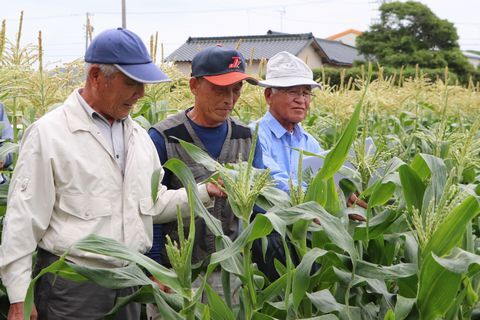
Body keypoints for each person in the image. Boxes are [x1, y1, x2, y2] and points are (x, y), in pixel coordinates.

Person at [0, 28, 223, 320]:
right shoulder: (50, 134)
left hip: (129, 282)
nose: (141, 94)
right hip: (73, 289)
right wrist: (19, 296)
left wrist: (204, 192)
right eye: (132, 82)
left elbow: (152, 204)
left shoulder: (139, 138)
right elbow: (23, 219)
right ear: (95, 76)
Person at [145, 45, 262, 317]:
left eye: (236, 90)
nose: (229, 99)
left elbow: (259, 204)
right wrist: (156, 270)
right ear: (194, 86)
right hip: (178, 274)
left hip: (232, 274)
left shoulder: (246, 137)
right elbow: (149, 208)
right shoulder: (164, 138)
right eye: (220, 89)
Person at [251, 51, 366, 280]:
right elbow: (274, 180)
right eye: (292, 91)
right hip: (271, 236)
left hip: (309, 234)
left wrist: (344, 196)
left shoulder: (309, 141)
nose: (301, 100)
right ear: (268, 95)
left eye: (306, 93)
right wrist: (318, 206)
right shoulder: (254, 135)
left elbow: (324, 180)